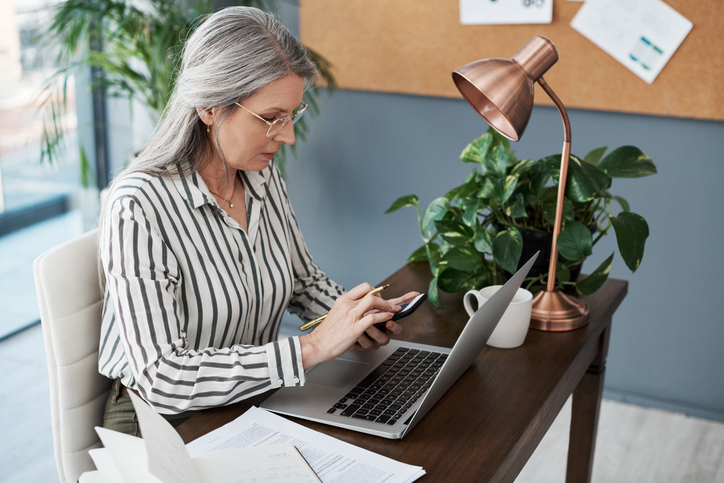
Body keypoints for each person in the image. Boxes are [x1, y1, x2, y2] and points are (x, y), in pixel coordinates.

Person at [97, 6, 417, 435]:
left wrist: (354, 318)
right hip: (161, 421)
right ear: (209, 108)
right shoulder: (138, 205)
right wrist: (314, 346)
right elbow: (164, 378)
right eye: (271, 118)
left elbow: (302, 283)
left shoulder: (260, 174)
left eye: (293, 115)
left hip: (251, 396)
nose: (286, 136)